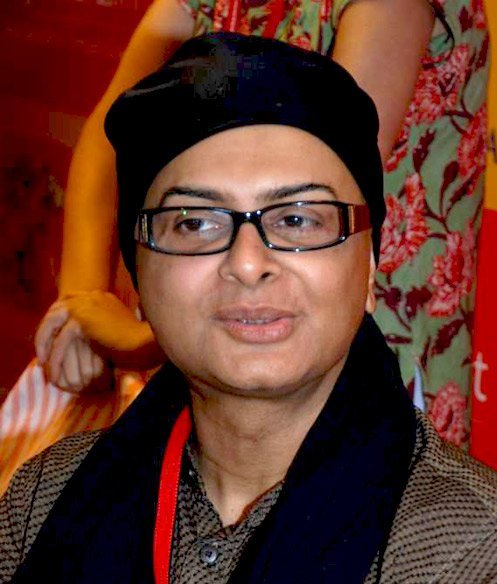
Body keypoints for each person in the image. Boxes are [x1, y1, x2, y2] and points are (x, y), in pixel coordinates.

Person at [2, 34, 497, 583]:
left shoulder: (469, 550)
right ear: (139, 274)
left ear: (370, 268)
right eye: (195, 223)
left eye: (298, 219)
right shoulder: (44, 501)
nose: (247, 262)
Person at [33, 0, 488, 449]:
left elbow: (330, 180)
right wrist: (81, 303)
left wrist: (137, 339)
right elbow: (110, 140)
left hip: (356, 364)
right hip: (210, 351)